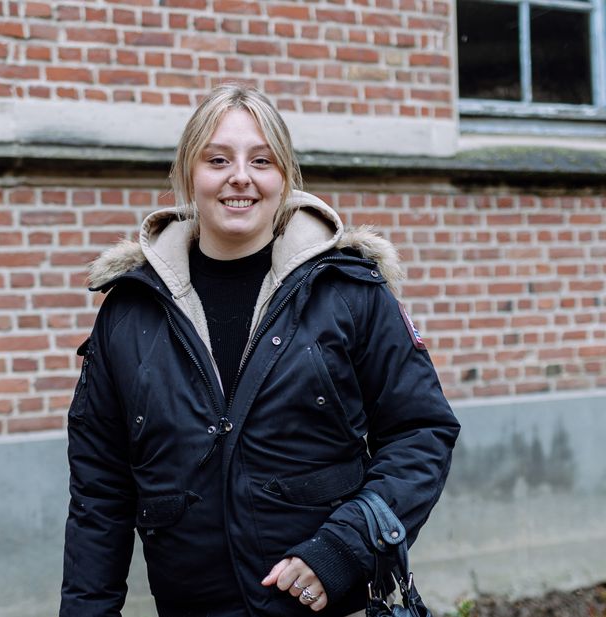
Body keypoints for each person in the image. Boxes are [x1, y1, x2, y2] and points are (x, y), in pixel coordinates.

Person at [60, 84, 460, 617]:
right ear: (188, 175)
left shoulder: (348, 291)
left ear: (285, 178)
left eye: (262, 160)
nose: (240, 177)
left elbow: (422, 432)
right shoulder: (130, 312)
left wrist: (344, 548)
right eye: (217, 159)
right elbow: (99, 494)